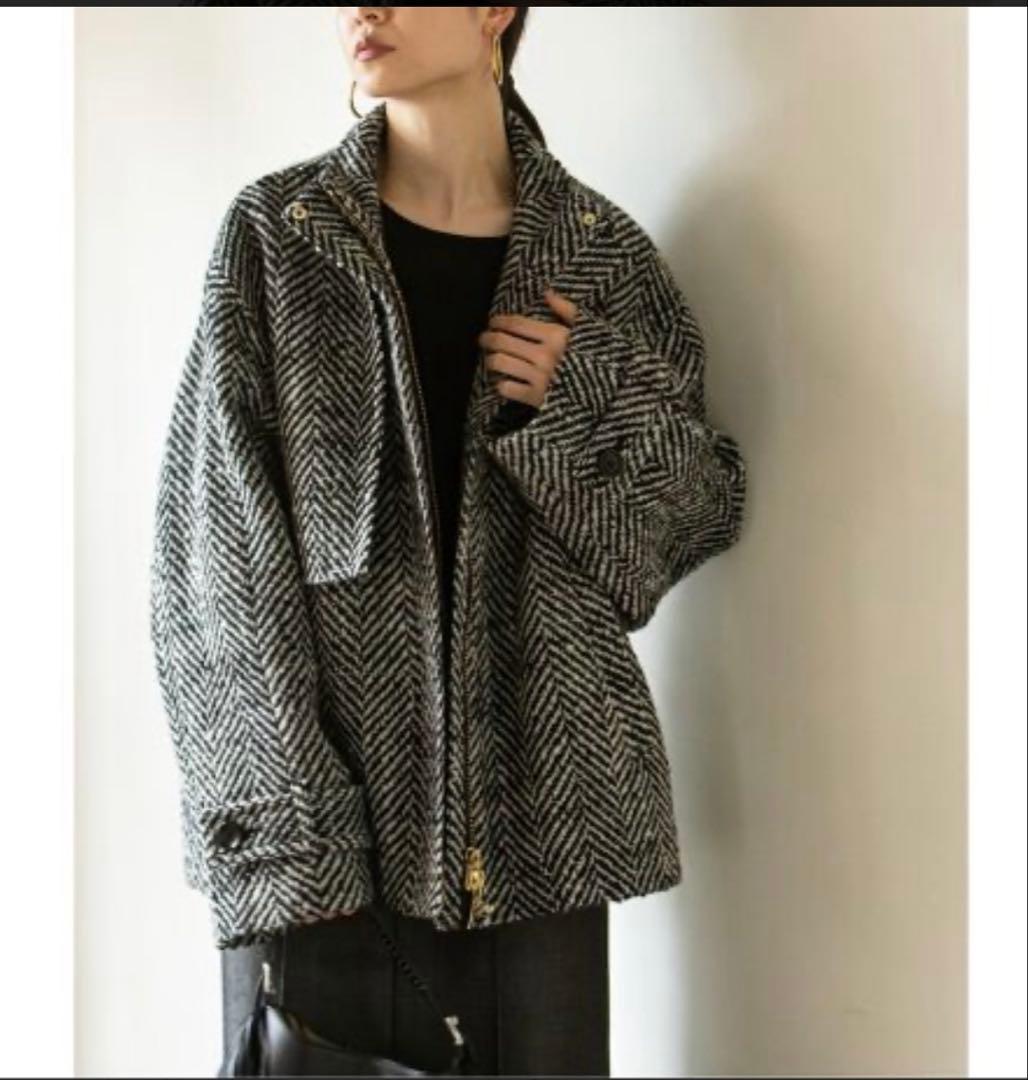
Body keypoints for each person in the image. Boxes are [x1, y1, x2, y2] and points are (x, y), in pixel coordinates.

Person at [151, 4, 747, 1076]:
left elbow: (690, 525)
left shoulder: (600, 257)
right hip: (325, 846)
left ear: (493, 11)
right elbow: (211, 564)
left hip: (546, 847)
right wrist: (295, 830)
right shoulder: (279, 239)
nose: (361, 9)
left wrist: (583, 402)